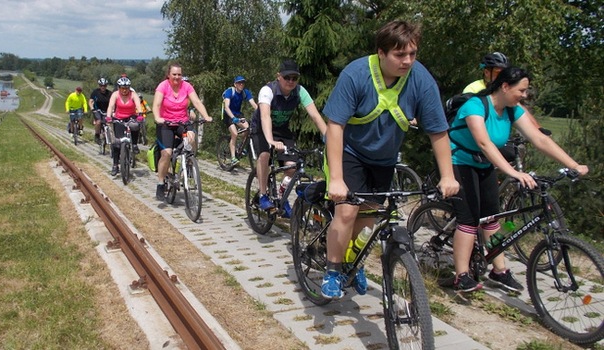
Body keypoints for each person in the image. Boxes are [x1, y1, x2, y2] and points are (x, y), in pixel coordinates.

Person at [320, 20, 460, 299]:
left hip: (384, 159)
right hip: (349, 152)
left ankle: (354, 262)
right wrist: (336, 179)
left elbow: (438, 130)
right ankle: (333, 270)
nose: (407, 61)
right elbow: (335, 125)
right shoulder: (356, 74)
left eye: (412, 54)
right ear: (381, 53)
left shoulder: (421, 79)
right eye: (399, 55)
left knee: (369, 216)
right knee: (347, 210)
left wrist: (448, 175)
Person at [448, 66, 588, 292]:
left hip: (484, 162)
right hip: (459, 160)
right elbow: (484, 143)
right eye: (521, 90)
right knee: (469, 220)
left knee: (492, 218)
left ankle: (498, 269)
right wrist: (513, 173)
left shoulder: (512, 109)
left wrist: (573, 165)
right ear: (505, 86)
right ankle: (461, 275)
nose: (524, 95)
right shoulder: (476, 105)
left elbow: (539, 139)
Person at [251, 59, 327, 217]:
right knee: (264, 155)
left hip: (282, 130)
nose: (291, 81)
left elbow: (315, 116)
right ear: (279, 76)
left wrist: (329, 137)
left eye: (294, 78)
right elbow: (265, 117)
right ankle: (263, 195)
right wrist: (271, 141)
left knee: (292, 166)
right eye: (287, 77)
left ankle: (282, 197)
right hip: (261, 128)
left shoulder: (300, 91)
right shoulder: (267, 90)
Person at [152, 63, 213, 200]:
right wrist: (157, 117)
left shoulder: (186, 86)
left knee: (191, 138)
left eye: (179, 74)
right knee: (166, 153)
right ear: (169, 75)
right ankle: (161, 183)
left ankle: (190, 163)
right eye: (174, 74)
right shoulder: (163, 86)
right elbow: (156, 104)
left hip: (182, 122)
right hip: (165, 124)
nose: (177, 77)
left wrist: (206, 116)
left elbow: (197, 102)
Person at [107, 76, 144, 176]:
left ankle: (135, 144)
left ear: (129, 88)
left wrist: (140, 114)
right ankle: (115, 165)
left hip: (131, 117)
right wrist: (108, 116)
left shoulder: (133, 94)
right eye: (122, 88)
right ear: (119, 88)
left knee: (135, 126)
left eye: (126, 88)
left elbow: (138, 105)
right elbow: (110, 106)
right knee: (116, 144)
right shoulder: (115, 94)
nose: (124, 90)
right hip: (119, 118)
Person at [222, 75, 258, 165]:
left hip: (238, 114)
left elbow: (253, 104)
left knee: (248, 129)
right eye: (239, 82)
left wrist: (261, 113)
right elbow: (226, 107)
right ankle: (233, 158)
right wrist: (233, 118)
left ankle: (240, 147)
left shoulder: (245, 92)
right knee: (234, 133)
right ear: (235, 84)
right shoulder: (230, 91)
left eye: (243, 82)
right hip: (228, 114)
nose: (241, 84)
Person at [89, 78, 112, 144]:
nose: (103, 87)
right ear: (99, 86)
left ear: (106, 86)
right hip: (97, 110)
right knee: (98, 122)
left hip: (107, 111)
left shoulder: (109, 93)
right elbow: (90, 101)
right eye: (101, 86)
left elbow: (113, 103)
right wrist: (92, 108)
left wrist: (113, 110)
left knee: (109, 123)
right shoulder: (95, 92)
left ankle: (110, 138)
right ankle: (97, 135)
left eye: (104, 86)